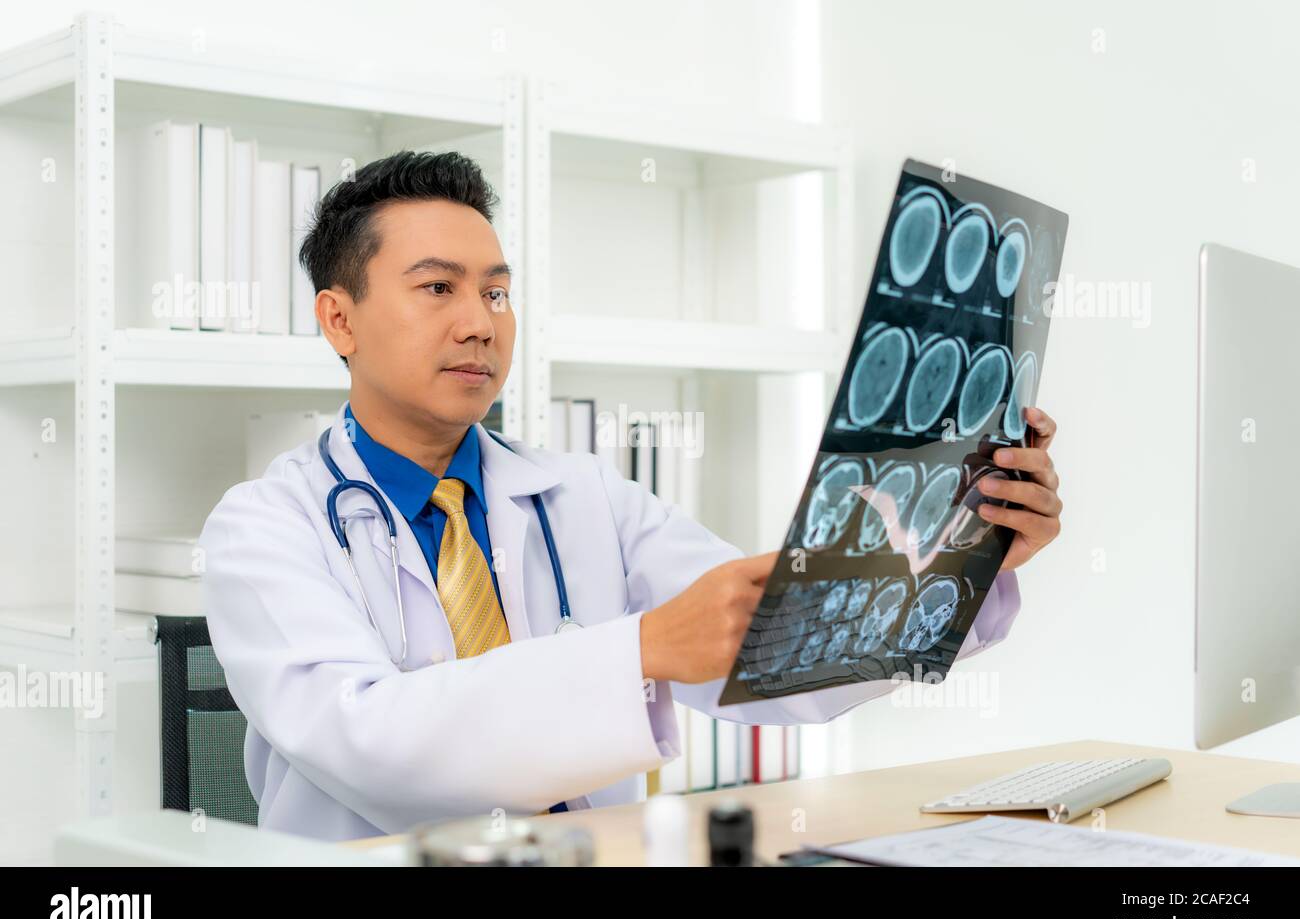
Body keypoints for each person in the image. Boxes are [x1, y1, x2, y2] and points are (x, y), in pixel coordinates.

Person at [200, 151, 1063, 841]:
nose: (481, 321)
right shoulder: (263, 530)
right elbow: (371, 741)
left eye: (496, 291)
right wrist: (641, 648)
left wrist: (965, 546)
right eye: (439, 288)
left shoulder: (582, 495)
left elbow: (779, 649)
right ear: (339, 320)